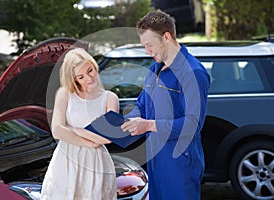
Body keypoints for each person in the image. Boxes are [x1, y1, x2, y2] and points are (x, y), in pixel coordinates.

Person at [121, 10, 210, 200]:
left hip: (180, 165)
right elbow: (142, 105)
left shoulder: (192, 72)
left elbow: (193, 123)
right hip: (155, 160)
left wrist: (149, 125)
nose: (147, 51)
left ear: (166, 37)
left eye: (149, 45)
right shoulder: (155, 68)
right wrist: (128, 121)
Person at [41, 48, 119, 200]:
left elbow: (108, 137)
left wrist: (71, 129)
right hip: (66, 161)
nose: (89, 78)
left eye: (90, 71)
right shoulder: (64, 94)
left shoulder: (110, 98)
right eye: (81, 77)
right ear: (74, 79)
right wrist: (89, 141)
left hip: (96, 162)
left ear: (94, 66)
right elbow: (57, 130)